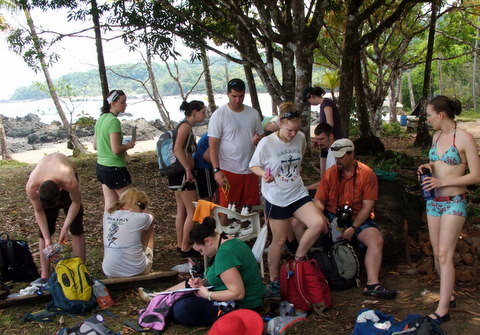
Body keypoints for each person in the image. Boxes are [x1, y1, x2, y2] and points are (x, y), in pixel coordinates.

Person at [249, 102, 328, 298]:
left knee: (317, 223)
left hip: (297, 191)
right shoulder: (267, 143)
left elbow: (298, 158)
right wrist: (264, 175)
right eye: (290, 130)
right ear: (280, 123)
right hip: (277, 197)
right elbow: (253, 165)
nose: (293, 134)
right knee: (279, 240)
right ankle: (275, 281)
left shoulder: (300, 137)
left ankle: (299, 257)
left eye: (296, 130)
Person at [417, 95, 480, 323]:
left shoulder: (463, 138)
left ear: (441, 114)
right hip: (433, 202)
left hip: (454, 202)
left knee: (445, 254)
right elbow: (438, 165)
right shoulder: (436, 136)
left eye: (429, 115)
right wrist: (428, 166)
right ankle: (449, 294)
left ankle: (442, 310)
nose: (428, 119)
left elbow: (476, 175)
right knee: (437, 253)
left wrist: (442, 183)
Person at [313, 138, 397, 299]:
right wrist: (320, 216)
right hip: (332, 214)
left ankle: (373, 283)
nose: (337, 160)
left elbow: (368, 206)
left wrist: (353, 227)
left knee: (376, 240)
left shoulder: (367, 174)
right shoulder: (330, 173)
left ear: (352, 154)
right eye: (335, 156)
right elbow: (318, 200)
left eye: (341, 156)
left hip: (358, 216)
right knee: (310, 227)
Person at [165, 217, 265, 326]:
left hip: (244, 305)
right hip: (248, 299)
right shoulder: (226, 239)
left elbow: (238, 293)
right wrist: (204, 282)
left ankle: (160, 304)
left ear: (208, 241)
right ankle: (159, 298)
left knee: (181, 309)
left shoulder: (224, 254)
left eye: (201, 250)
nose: (202, 254)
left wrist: (208, 295)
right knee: (184, 296)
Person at [26, 153, 86, 285]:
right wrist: (48, 239)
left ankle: (80, 271)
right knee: (43, 234)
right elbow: (39, 210)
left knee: (77, 230)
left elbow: (76, 203)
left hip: (64, 178)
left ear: (60, 189)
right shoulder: (32, 187)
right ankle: (45, 275)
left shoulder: (69, 181)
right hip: (46, 186)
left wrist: (65, 228)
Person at [209, 78, 264, 211]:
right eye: (234, 96)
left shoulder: (253, 113)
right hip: (228, 168)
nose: (237, 100)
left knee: (247, 207)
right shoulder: (219, 115)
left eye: (241, 96)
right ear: (228, 94)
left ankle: (246, 230)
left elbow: (261, 136)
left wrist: (257, 140)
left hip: (250, 168)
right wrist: (216, 170)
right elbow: (213, 145)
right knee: (227, 208)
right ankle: (225, 232)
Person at [170, 100, 206, 257]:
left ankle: (181, 244)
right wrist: (187, 170)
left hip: (177, 175)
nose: (205, 114)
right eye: (203, 111)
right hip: (182, 175)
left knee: (182, 210)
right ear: (194, 112)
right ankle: (185, 247)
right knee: (193, 211)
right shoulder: (185, 126)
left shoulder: (185, 126)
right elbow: (177, 149)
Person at [94, 89, 135, 211]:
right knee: (132, 204)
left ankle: (108, 229)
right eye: (122, 102)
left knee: (110, 205)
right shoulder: (113, 121)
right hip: (115, 168)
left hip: (101, 167)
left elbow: (95, 145)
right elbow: (116, 149)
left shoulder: (101, 119)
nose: (125, 104)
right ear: (113, 103)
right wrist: (128, 146)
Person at [102, 188, 154, 278]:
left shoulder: (107, 214)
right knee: (149, 223)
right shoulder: (143, 217)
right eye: (142, 206)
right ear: (135, 203)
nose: (143, 210)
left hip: (109, 271)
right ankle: (145, 251)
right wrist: (144, 212)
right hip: (137, 270)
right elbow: (152, 216)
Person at [306, 122, 337, 195]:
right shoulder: (331, 149)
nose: (319, 143)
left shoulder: (334, 153)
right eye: (317, 139)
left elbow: (329, 183)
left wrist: (307, 188)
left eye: (321, 139)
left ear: (331, 136)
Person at [193, 132, 217, 202]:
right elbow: (206, 156)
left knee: (210, 194)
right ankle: (205, 212)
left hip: (202, 167)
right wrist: (218, 168)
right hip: (204, 167)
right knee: (207, 197)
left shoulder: (209, 133)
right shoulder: (214, 135)